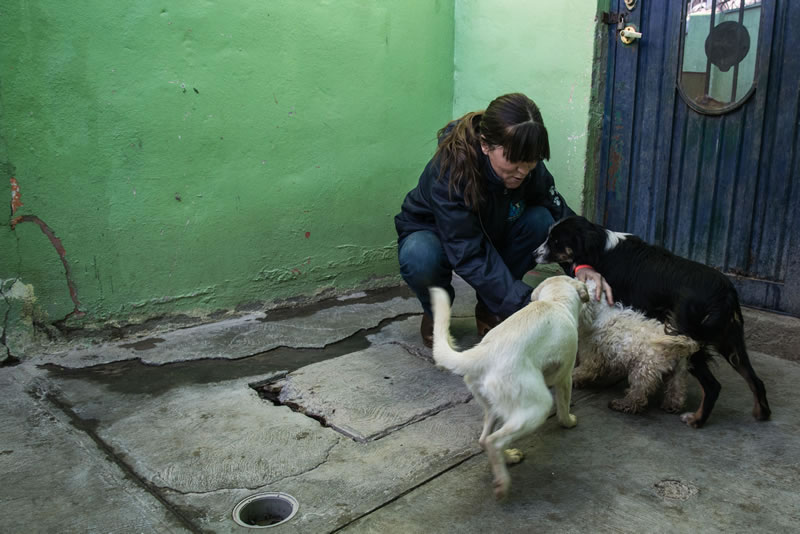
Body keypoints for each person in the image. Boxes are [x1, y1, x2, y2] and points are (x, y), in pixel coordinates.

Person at [394, 92, 613, 347]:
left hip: (493, 228)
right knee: (420, 254)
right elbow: (468, 252)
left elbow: (559, 214)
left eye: (532, 161)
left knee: (541, 221)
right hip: (437, 234)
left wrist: (582, 264)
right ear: (485, 145)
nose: (523, 171)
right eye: (515, 162)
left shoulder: (527, 165)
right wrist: (528, 304)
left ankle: (490, 308)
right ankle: (436, 312)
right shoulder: (449, 172)